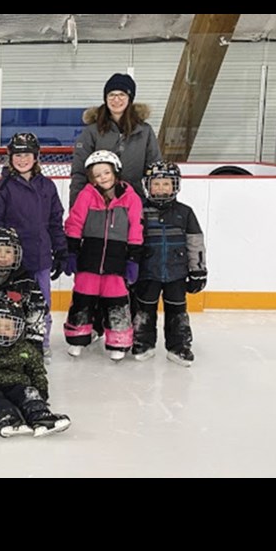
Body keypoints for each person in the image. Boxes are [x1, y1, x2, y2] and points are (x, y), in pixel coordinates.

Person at [0, 133, 68, 357]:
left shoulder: (47, 187)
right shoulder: (1, 188)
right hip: (11, 262)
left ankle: (40, 343)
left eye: (27, 155)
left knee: (41, 304)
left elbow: (55, 221)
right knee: (11, 302)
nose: (22, 160)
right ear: (10, 158)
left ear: (36, 157)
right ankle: (7, 343)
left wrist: (60, 250)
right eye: (18, 155)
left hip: (40, 258)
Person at [63, 150, 143, 361]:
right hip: (89, 257)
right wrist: (71, 251)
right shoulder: (87, 195)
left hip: (116, 259)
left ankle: (118, 341)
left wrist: (133, 258)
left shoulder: (131, 198)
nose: (102, 178)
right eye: (97, 175)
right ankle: (77, 338)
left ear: (115, 172)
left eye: (106, 172)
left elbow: (136, 228)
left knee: (116, 302)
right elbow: (75, 222)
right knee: (82, 299)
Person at [0, 293, 70, 438]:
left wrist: (41, 390)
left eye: (7, 327)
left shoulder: (25, 348)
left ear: (18, 328)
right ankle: (8, 418)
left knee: (29, 392)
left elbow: (36, 370)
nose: (0, 330)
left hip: (17, 384)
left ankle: (41, 417)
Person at [133, 161, 208, 367]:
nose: (161, 188)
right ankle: (143, 342)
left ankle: (179, 346)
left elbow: (195, 243)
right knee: (144, 309)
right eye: (156, 184)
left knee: (177, 310)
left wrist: (198, 271)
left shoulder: (185, 212)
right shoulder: (140, 210)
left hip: (176, 272)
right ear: (148, 186)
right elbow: (132, 240)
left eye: (166, 184)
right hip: (147, 272)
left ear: (175, 186)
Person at [69, 73, 161, 207]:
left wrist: (158, 204)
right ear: (105, 98)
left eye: (122, 95)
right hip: (98, 204)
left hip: (134, 202)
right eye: (112, 95)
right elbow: (79, 173)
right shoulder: (91, 131)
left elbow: (155, 170)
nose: (116, 100)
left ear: (130, 98)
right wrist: (75, 208)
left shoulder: (145, 131)